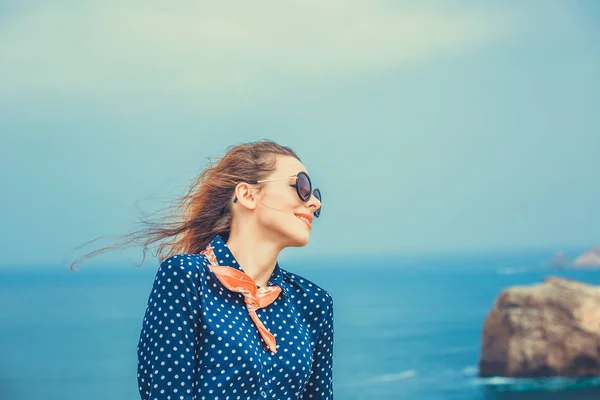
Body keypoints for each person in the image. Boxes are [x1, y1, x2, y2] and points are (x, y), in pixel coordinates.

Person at [134, 140, 333, 400]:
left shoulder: (313, 303)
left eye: (315, 194)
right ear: (248, 195)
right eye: (302, 187)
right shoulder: (186, 279)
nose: (314, 203)